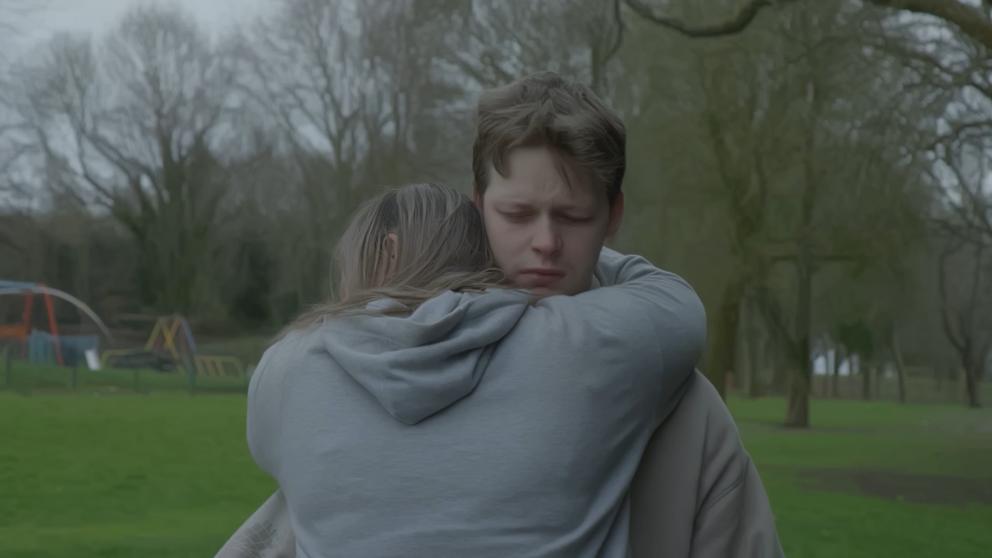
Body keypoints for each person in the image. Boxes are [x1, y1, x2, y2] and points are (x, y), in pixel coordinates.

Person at [221, 182, 706, 557]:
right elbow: (674, 301)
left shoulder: (290, 367)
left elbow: (272, 454)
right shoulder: (577, 343)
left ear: (387, 253)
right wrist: (545, 246)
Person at [471, 72, 784, 557]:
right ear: (478, 206)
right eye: (516, 214)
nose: (546, 243)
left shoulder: (685, 408)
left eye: (573, 217)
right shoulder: (402, 371)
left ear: (612, 216)